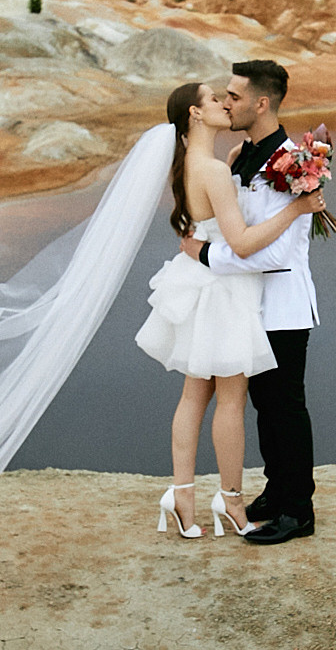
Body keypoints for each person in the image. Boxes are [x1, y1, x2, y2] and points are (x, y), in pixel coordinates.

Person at [137, 80, 325, 539]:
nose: (224, 104)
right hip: (223, 291)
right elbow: (239, 243)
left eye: (229, 97)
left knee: (192, 396)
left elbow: (210, 226)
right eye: (214, 100)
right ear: (196, 115)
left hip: (199, 286)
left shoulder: (196, 164)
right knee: (233, 401)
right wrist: (298, 209)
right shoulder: (217, 170)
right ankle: (232, 502)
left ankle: (183, 495)